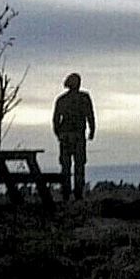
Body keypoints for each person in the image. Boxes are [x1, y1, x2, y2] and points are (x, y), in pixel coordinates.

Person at [52, 72, 95, 200]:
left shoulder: (62, 100)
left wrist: (59, 133)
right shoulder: (84, 98)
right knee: (78, 165)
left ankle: (67, 192)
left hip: (67, 136)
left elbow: (55, 120)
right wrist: (92, 130)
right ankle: (77, 193)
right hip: (76, 136)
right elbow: (90, 116)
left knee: (67, 165)